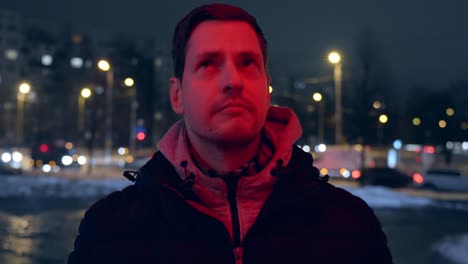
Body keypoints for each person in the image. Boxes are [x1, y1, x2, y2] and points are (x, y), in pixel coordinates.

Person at [68, 3, 393, 264]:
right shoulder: (112, 231)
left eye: (247, 63)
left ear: (266, 89)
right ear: (177, 94)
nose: (232, 81)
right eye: (208, 64)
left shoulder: (350, 227)